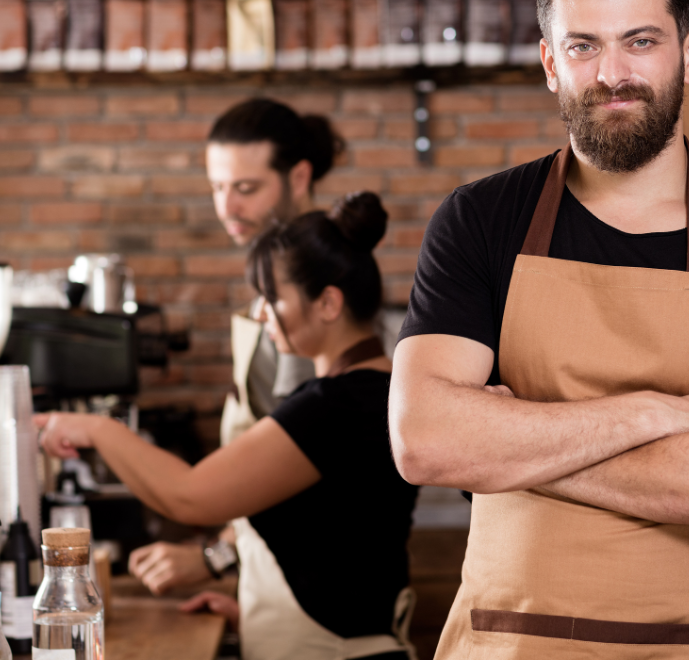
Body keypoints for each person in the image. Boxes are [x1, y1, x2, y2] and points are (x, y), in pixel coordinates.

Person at [389, 0, 689, 659]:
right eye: (584, 46)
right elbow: (424, 442)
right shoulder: (482, 220)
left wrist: (511, 446)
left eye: (640, 41)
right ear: (551, 63)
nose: (612, 73)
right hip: (506, 644)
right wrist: (654, 414)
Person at [36, 192, 420, 660]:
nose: (261, 312)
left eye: (271, 296)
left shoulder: (338, 405)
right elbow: (336, 542)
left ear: (328, 303)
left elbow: (189, 496)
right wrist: (255, 614)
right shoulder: (371, 391)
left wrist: (97, 429)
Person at [128, 98, 342, 600]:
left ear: (298, 177)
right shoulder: (276, 282)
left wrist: (215, 556)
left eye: (246, 189)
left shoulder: (313, 294)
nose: (226, 207)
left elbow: (299, 469)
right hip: (278, 584)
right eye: (218, 188)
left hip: (319, 593)